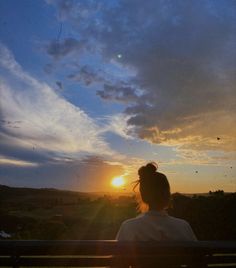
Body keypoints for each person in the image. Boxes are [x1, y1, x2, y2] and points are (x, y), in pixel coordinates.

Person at [116, 162, 197, 241]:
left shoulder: (129, 227)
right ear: (167, 195)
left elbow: (118, 253)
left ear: (143, 195)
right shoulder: (183, 227)